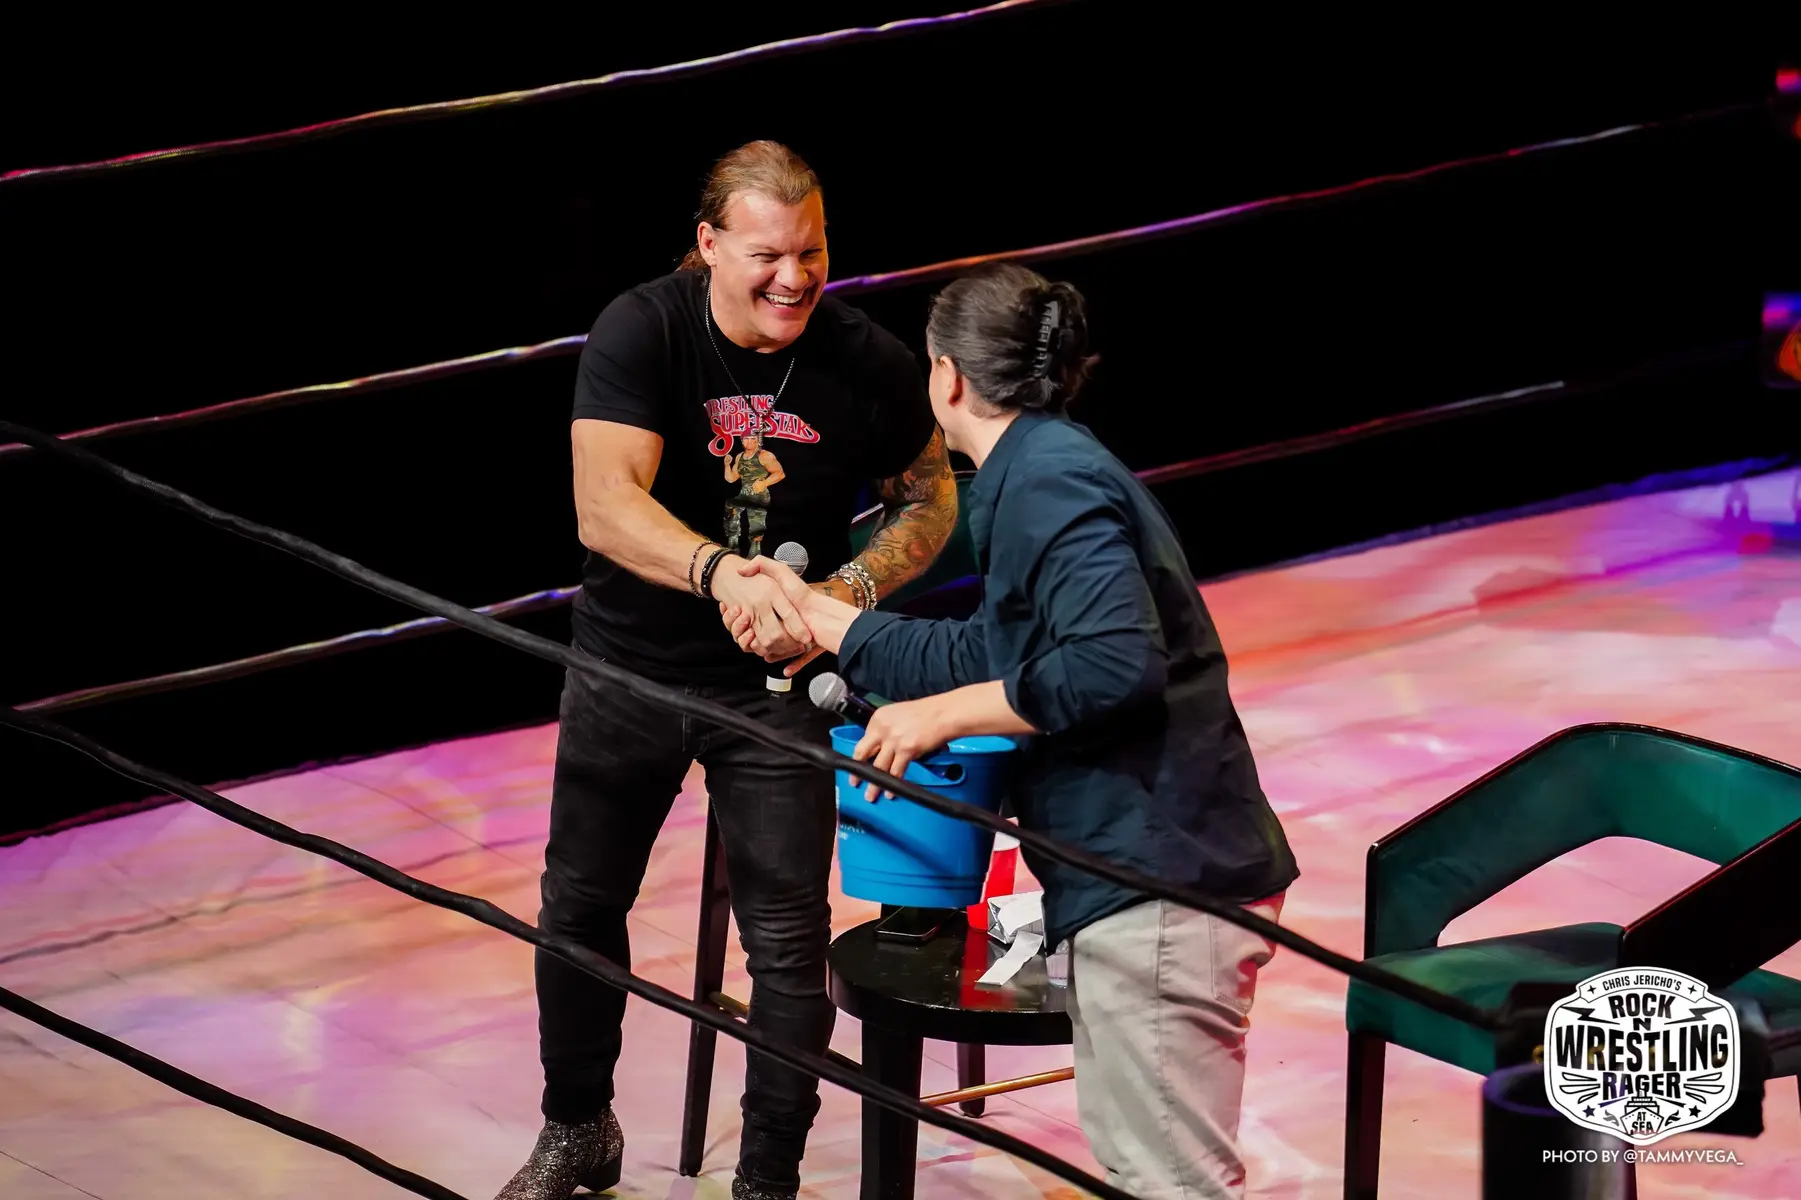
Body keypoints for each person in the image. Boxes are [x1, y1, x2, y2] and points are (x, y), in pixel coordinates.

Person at [732, 263, 1299, 1200]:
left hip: (1163, 881)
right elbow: (997, 651)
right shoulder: (1038, 466)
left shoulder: (1046, 482)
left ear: (946, 377)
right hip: (1148, 873)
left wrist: (938, 715)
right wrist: (831, 623)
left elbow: (1111, 666)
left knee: (1166, 1182)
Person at [495, 140, 958, 1200]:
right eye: (765, 254)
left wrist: (843, 598)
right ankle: (577, 1130)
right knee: (578, 905)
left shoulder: (861, 358)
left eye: (812, 251)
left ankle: (767, 1184)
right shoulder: (644, 328)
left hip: (779, 688)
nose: (793, 277)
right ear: (708, 247)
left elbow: (931, 496)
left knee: (789, 950)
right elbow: (603, 502)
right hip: (634, 668)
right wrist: (720, 574)